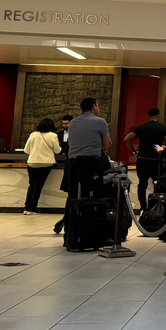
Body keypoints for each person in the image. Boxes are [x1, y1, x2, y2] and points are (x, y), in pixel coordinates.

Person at [54, 97, 113, 235]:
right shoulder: (100, 122)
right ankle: (92, 232)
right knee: (95, 195)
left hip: (73, 163)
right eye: (98, 106)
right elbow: (105, 145)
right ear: (94, 106)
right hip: (91, 162)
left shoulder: (73, 122)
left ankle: (70, 231)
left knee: (73, 196)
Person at [124, 107, 166, 213]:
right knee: (157, 184)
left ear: (148, 116)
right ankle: (154, 206)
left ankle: (143, 207)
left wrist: (134, 152)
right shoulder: (163, 128)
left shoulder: (141, 127)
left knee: (142, 184)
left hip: (142, 159)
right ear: (158, 116)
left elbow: (127, 139)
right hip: (155, 160)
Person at [21, 118, 60, 215]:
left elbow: (26, 150)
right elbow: (57, 150)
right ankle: (32, 207)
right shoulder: (53, 136)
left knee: (32, 185)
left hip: (32, 162)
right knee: (38, 186)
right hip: (45, 163)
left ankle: (27, 207)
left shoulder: (33, 135)